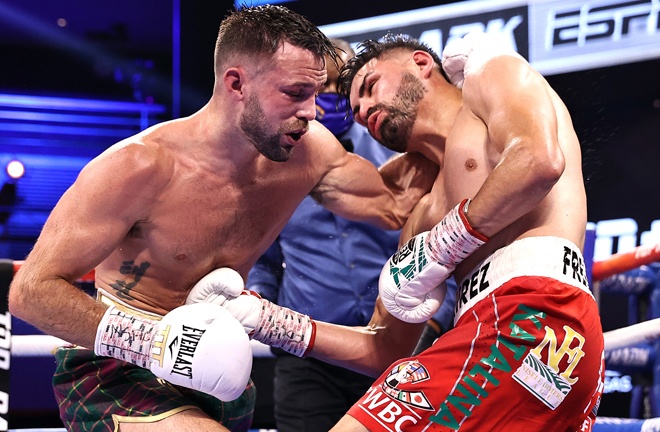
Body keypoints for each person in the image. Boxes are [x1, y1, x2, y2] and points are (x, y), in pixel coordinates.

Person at [7, 7, 437, 432]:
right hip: (117, 365)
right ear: (236, 83)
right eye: (295, 93)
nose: (312, 111)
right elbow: (30, 291)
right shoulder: (139, 167)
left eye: (315, 94)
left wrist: (452, 110)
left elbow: (394, 205)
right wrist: (157, 346)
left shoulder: (311, 152)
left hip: (224, 371)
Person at [188, 32, 605, 431]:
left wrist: (445, 245)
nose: (365, 109)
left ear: (421, 63)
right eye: (357, 110)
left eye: (370, 86)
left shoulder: (487, 77)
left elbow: (538, 162)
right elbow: (382, 349)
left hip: (533, 315)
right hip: (517, 336)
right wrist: (268, 320)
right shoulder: (423, 215)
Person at [245, 38, 401, 432]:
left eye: (339, 85)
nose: (330, 95)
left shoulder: (399, 156)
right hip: (307, 355)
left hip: (397, 346)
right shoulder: (271, 167)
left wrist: (436, 325)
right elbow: (261, 256)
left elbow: (434, 245)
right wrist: (259, 300)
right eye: (320, 86)